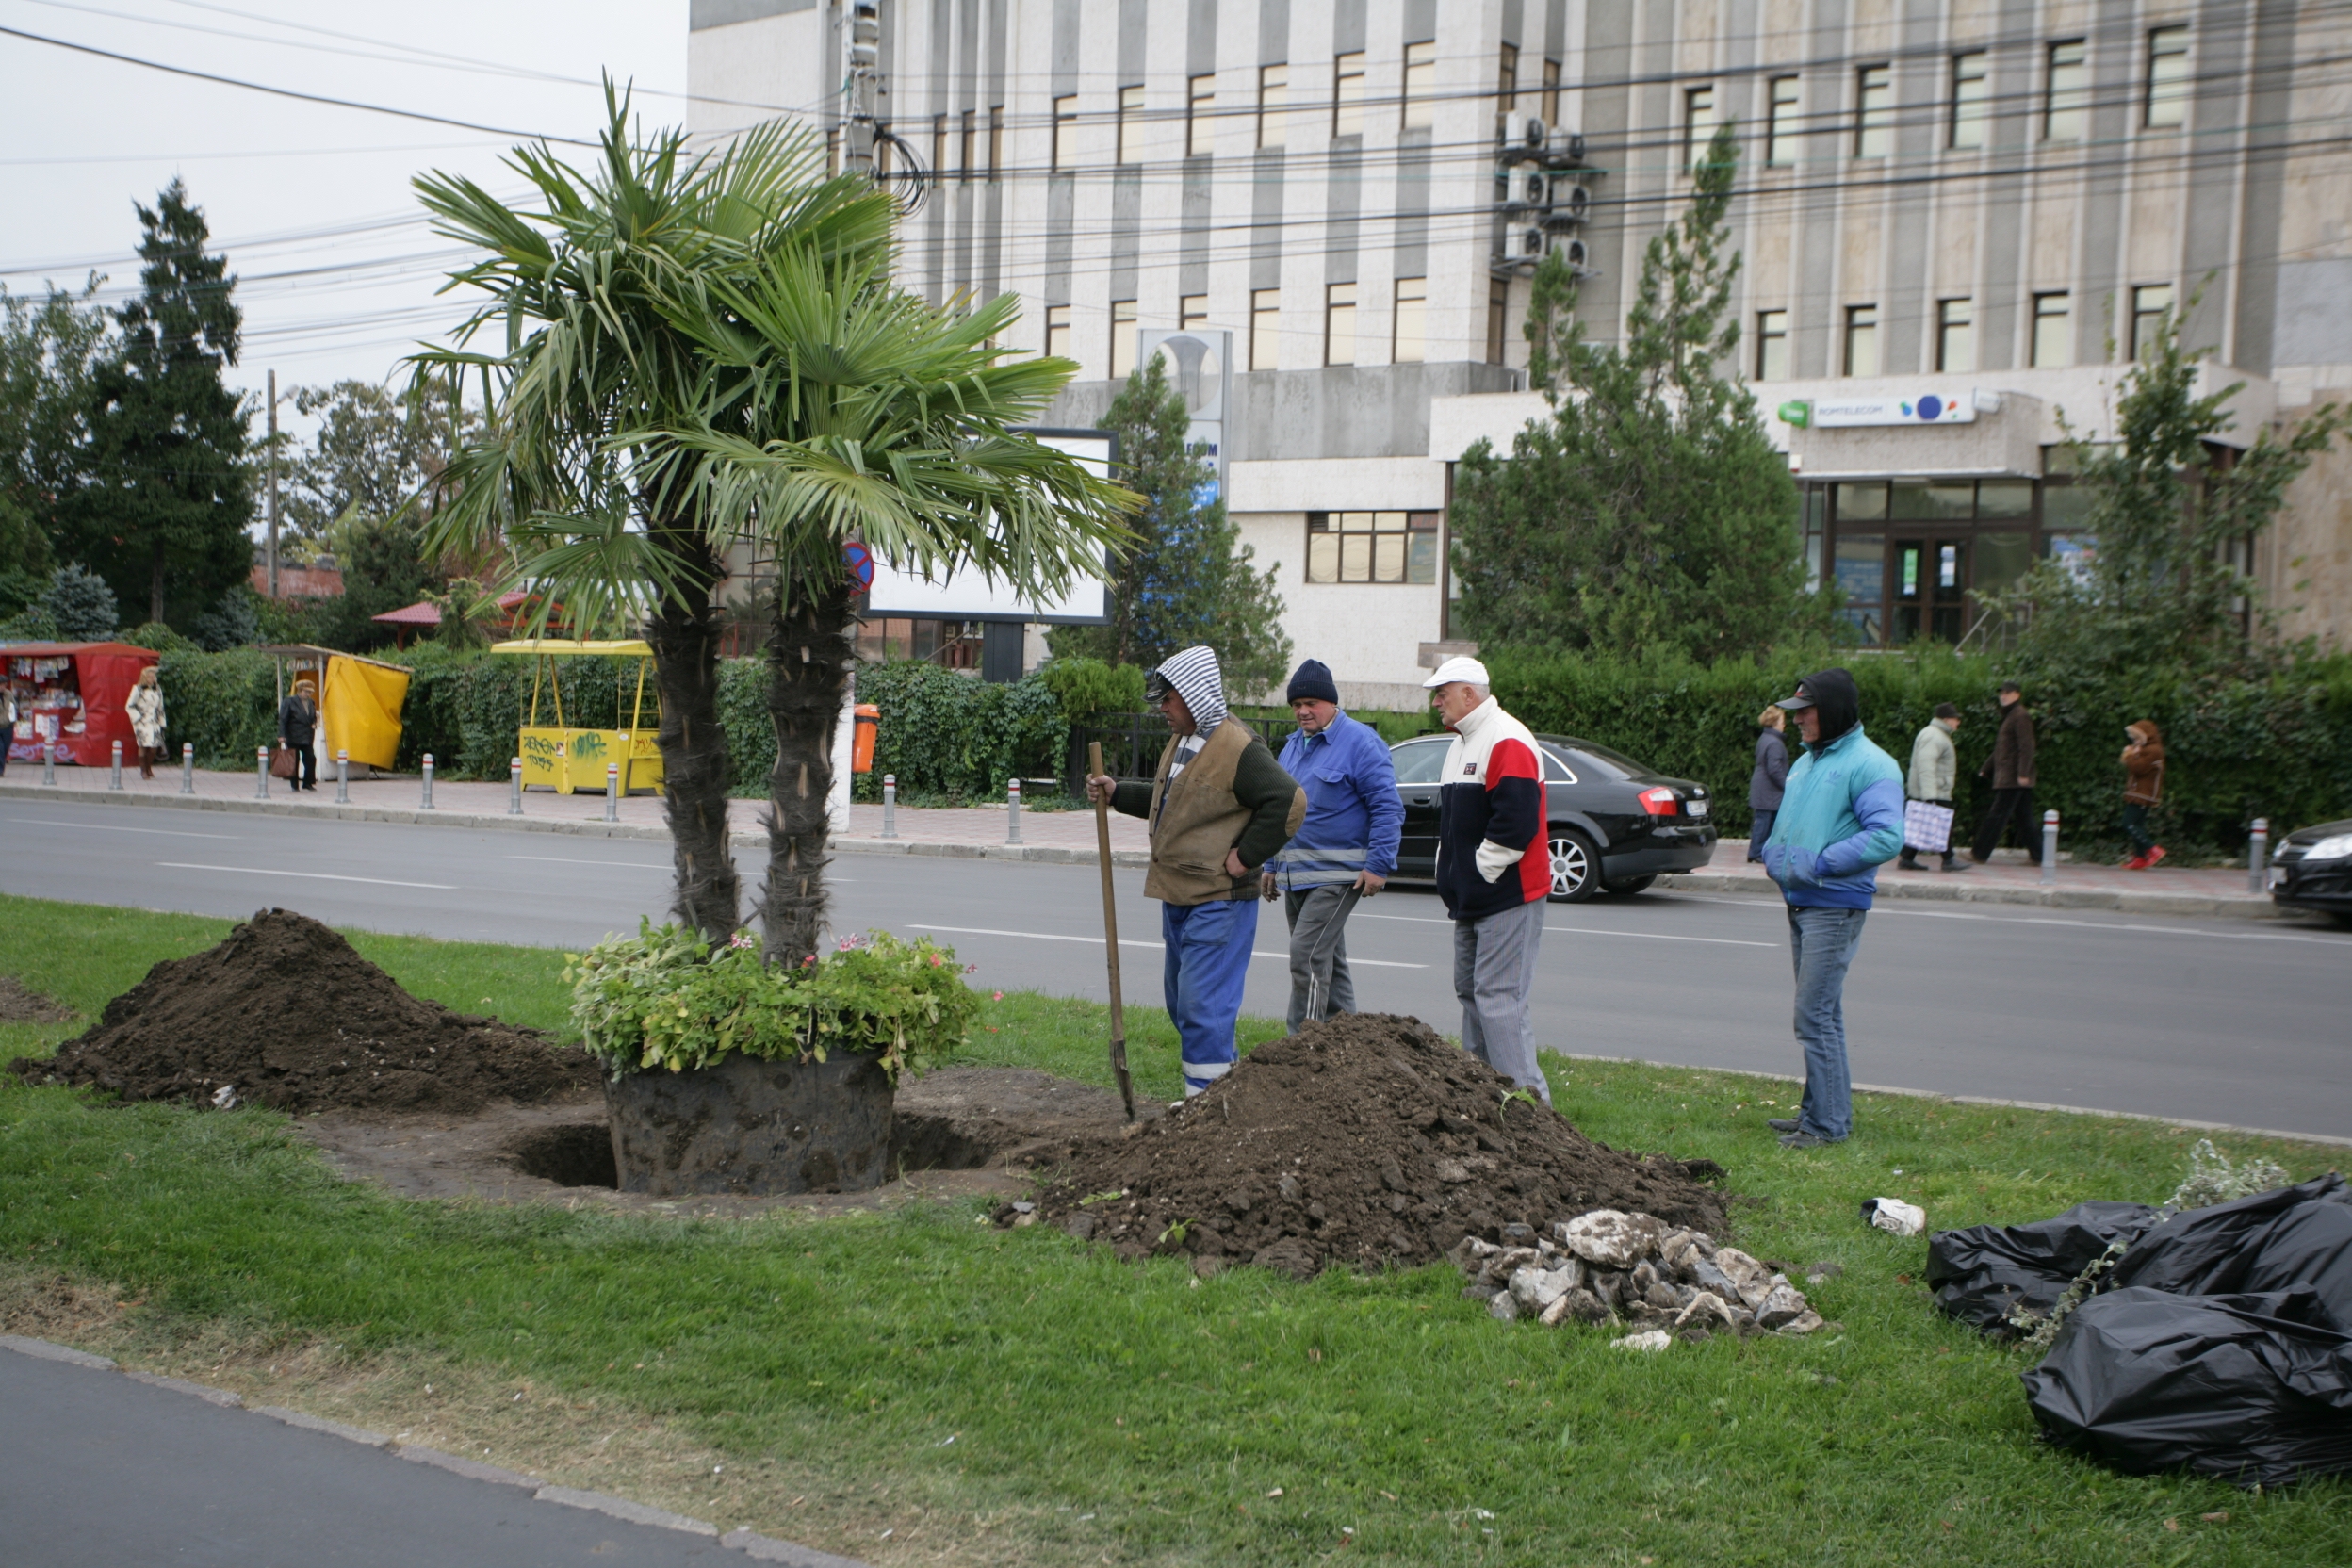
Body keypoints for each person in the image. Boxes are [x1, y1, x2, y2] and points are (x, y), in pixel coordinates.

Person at [1087, 646, 1302, 1097]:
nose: (1162, 708)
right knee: (1183, 1003)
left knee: (1204, 1006)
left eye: (1168, 699)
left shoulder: (1238, 747)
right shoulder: (1186, 739)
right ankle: (1219, 1090)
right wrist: (1117, 791)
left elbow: (1289, 801)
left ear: (1194, 695)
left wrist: (1246, 856)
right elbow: (1175, 800)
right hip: (1181, 895)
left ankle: (1206, 1108)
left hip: (1219, 900)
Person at [1758, 668, 1903, 1149]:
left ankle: (1827, 1126)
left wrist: (1819, 864)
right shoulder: (1808, 761)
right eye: (1795, 711)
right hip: (1803, 900)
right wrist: (1777, 856)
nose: (1798, 719)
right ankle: (1818, 1112)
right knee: (1823, 1013)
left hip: (1834, 904)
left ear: (1834, 711)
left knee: (1813, 1015)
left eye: (1807, 711)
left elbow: (1887, 836)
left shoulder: (1871, 764)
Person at [1424, 656, 1553, 1103]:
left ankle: (1531, 1113)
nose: (1436, 702)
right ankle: (1484, 1098)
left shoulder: (1506, 738)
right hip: (1474, 897)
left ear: (1469, 694)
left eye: (1442, 693)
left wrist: (1480, 871)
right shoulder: (1462, 742)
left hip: (1506, 896)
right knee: (1473, 993)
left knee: (1499, 1000)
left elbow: (1516, 824)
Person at [1261, 659, 1403, 1033]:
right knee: (1328, 959)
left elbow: (1387, 808)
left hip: (1338, 876)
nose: (1303, 711)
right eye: (1296, 704)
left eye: (1311, 703)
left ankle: (1303, 1042)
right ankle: (1349, 1040)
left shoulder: (1361, 743)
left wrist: (1378, 864)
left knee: (1306, 955)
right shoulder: (1293, 746)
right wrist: (1272, 864)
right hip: (1296, 874)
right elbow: (1281, 808)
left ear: (1331, 702)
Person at [1970, 681, 2038, 864]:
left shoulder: (2020, 715)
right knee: (2024, 817)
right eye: (2002, 693)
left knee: (1997, 815)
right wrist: (1987, 768)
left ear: (2017, 694)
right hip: (2011, 776)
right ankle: (2039, 855)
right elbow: (2002, 748)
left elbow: (2027, 746)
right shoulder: (2010, 716)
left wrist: (2023, 773)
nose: (2003, 696)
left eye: (2008, 692)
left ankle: (1979, 854)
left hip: (2013, 777)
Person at [1898, 702, 1963, 872]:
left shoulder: (1935, 734)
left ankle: (1907, 858)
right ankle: (1948, 860)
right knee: (1943, 825)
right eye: (1956, 719)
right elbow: (1926, 766)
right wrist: (1930, 795)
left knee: (1920, 824)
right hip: (1934, 790)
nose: (1958, 722)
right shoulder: (1934, 736)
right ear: (1946, 719)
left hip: (1932, 789)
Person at [2119, 720, 2167, 869]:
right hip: (2139, 792)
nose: (2135, 741)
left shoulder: (2153, 750)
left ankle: (2153, 849)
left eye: (2137, 738)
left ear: (2146, 736)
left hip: (2143, 793)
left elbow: (2138, 768)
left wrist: (2129, 755)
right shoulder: (2147, 749)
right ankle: (2140, 857)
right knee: (2138, 825)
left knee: (2128, 823)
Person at [1747, 705, 1788, 862]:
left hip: (1764, 788)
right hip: (1769, 790)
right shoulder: (1775, 743)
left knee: (1763, 821)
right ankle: (1756, 852)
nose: (1784, 724)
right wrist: (1787, 785)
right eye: (1782, 721)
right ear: (1775, 722)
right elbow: (1774, 769)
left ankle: (1758, 852)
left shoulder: (1765, 738)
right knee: (1765, 822)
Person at [278, 677, 320, 792]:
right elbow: (283, 719)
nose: (309, 694)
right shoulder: (289, 701)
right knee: (294, 760)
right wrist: (281, 735)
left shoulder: (311, 702)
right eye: (306, 692)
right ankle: (294, 784)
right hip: (293, 735)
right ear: (300, 690)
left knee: (310, 758)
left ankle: (308, 783)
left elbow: (312, 716)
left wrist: (314, 723)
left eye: (310, 692)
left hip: (307, 735)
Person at [125, 665, 167, 780]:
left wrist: (162, 723)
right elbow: (129, 705)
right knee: (143, 745)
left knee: (154, 747)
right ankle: (143, 770)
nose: (152, 678)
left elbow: (160, 707)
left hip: (154, 722)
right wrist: (138, 717)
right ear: (145, 677)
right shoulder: (138, 689)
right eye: (150, 676)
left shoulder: (157, 689)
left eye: (153, 676)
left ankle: (148, 767)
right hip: (142, 722)